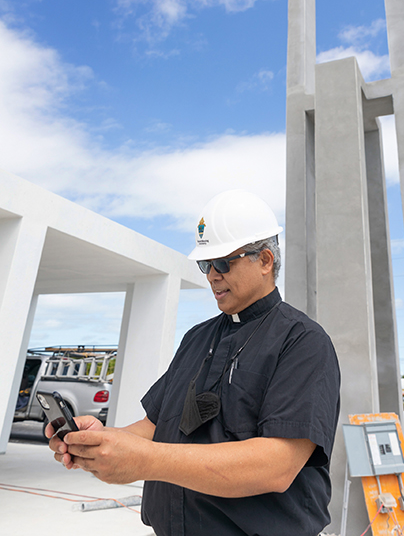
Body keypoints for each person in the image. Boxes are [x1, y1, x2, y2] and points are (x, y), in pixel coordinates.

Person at [47, 189, 341, 536]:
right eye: (205, 265)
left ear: (265, 261)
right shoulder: (196, 339)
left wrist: (143, 460)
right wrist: (102, 441)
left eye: (222, 264)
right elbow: (156, 426)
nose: (211, 276)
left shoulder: (302, 342)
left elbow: (276, 466)